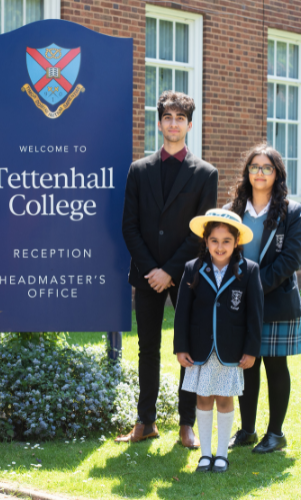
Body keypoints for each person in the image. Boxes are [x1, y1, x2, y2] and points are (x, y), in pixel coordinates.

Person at [117, 91, 218, 447]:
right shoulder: (139, 170)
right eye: (168, 117)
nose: (173, 123)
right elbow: (129, 225)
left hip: (186, 273)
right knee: (147, 347)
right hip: (145, 274)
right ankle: (145, 422)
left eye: (180, 118)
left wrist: (170, 271)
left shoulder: (206, 173)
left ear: (189, 125)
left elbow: (202, 232)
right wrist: (151, 270)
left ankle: (186, 424)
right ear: (159, 123)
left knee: (187, 348)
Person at [174, 209, 263, 472]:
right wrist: (181, 347)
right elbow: (181, 313)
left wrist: (251, 349)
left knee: (224, 398)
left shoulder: (249, 271)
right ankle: (205, 455)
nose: (220, 247)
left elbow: (255, 315)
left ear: (236, 243)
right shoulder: (193, 269)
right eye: (214, 240)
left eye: (226, 241)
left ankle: (222, 454)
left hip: (231, 350)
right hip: (201, 349)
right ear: (205, 241)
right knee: (203, 398)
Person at [226, 145, 301, 453]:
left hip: (276, 300)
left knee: (274, 365)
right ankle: (246, 430)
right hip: (242, 300)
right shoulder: (233, 209)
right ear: (247, 172)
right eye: (254, 167)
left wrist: (254, 287)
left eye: (267, 167)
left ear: (277, 174)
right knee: (247, 364)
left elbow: (290, 260)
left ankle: (275, 433)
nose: (259, 172)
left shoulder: (291, 211)